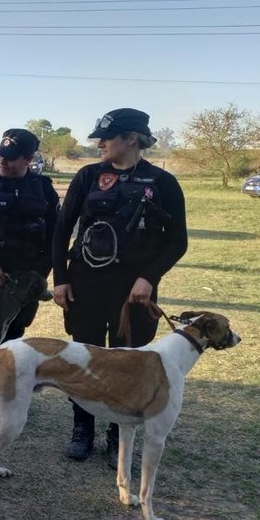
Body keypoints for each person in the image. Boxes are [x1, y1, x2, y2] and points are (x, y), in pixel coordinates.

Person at [52, 108, 188, 467]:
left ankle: (118, 437)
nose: (99, 143)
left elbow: (177, 242)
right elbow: (61, 230)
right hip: (86, 287)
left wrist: (149, 278)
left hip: (135, 294)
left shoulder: (162, 183)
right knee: (83, 360)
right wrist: (61, 279)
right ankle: (82, 429)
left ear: (131, 139)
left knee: (128, 365)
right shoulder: (87, 177)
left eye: (106, 138)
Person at [0, 128, 59, 338]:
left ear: (28, 159)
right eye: (1, 155)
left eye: (11, 158)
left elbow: (55, 235)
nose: (2, 162)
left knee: (14, 333)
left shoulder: (43, 188)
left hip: (26, 275)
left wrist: (39, 272)